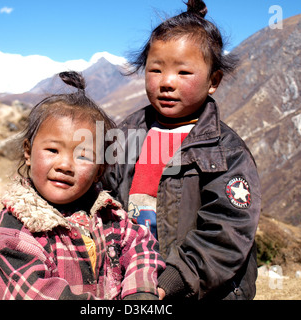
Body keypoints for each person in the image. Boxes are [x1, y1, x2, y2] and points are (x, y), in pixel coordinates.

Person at [104, 0, 261, 300]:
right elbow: (102, 196)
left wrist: (171, 281)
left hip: (201, 291)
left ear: (213, 81)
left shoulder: (226, 152)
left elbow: (227, 232)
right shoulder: (125, 134)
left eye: (184, 72)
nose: (166, 82)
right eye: (156, 69)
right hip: (134, 284)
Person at [0, 71, 165, 300]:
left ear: (99, 171)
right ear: (28, 152)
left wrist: (140, 292)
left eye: (83, 156)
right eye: (53, 150)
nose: (65, 165)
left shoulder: (110, 217)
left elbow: (141, 246)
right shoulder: (13, 232)